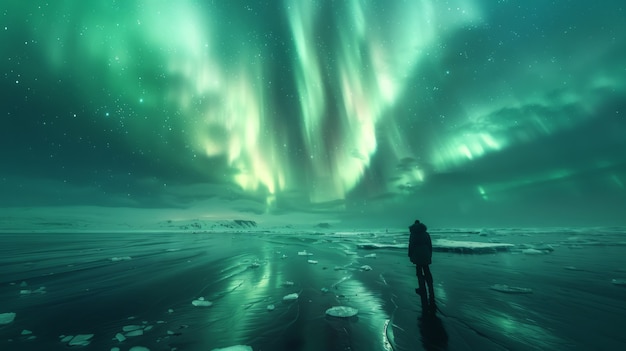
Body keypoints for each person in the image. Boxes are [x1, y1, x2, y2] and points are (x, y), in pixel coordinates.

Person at [408, 220, 435, 305]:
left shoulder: (413, 234)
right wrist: (430, 254)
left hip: (417, 253)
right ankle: (430, 287)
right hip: (425, 252)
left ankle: (422, 288)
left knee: (419, 271)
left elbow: (411, 245)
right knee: (427, 269)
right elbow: (430, 245)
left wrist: (410, 254)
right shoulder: (426, 234)